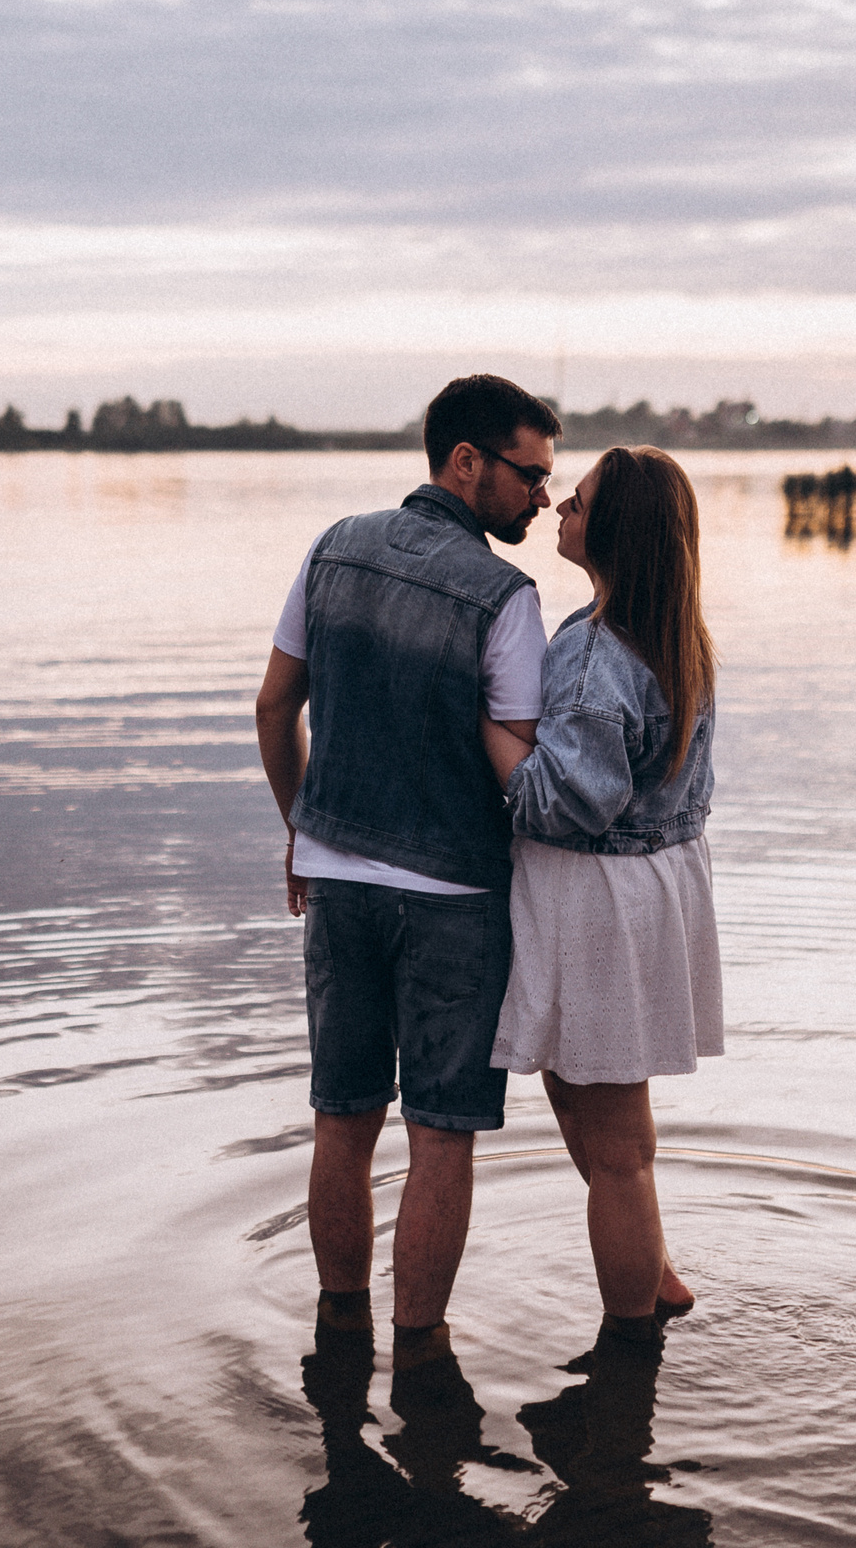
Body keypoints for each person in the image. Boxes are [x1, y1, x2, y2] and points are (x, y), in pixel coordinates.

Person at [254, 374, 564, 1370]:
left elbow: (273, 707)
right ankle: (421, 1356)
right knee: (441, 1134)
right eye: (528, 475)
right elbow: (513, 762)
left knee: (340, 1121)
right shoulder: (507, 598)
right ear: (464, 461)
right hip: (456, 898)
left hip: (336, 881)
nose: (542, 498)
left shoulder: (330, 548)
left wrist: (302, 828)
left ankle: (338, 1335)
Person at [478, 444, 721, 1357]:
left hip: (598, 897)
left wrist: (487, 726)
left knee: (614, 1139)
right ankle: (651, 1268)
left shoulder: (589, 650)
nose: (558, 512)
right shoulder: (679, 636)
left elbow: (558, 803)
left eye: (575, 505)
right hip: (657, 887)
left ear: (612, 531)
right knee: (585, 1096)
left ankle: (630, 1350)